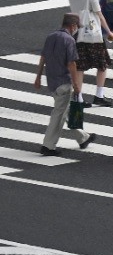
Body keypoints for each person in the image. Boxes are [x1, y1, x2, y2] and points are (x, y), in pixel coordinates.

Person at [33, 13, 97, 156]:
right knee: (58, 115)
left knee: (63, 110)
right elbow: (72, 63)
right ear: (72, 25)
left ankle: (83, 138)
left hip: (52, 81)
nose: (76, 30)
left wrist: (38, 77)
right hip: (63, 81)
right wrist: (76, 84)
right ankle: (48, 145)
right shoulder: (69, 40)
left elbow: (43, 57)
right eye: (76, 27)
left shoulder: (51, 36)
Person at [67, 0, 113, 107]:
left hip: (77, 33)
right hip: (92, 34)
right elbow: (99, 14)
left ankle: (78, 97)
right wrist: (109, 32)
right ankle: (99, 95)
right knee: (102, 64)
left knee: (80, 67)